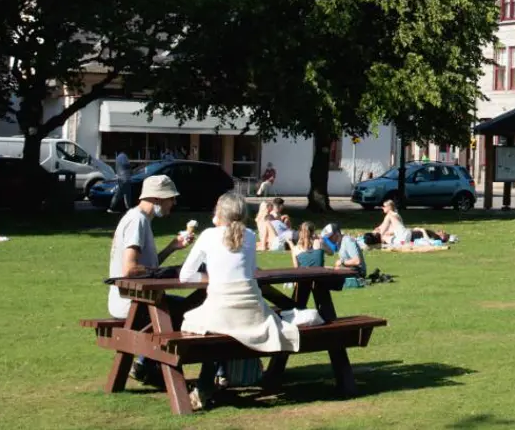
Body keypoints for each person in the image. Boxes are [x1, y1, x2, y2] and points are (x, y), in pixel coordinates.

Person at [180, 193, 299, 411]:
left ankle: (204, 383)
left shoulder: (208, 235)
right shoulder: (251, 235)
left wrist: (210, 278)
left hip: (223, 311)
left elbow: (185, 276)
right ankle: (214, 379)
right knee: (222, 327)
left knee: (189, 319)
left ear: (219, 212)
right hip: (252, 313)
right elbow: (251, 272)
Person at [107, 174, 193, 386]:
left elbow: (146, 267)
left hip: (137, 299)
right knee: (191, 312)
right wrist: (167, 273)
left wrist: (172, 248)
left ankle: (147, 365)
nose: (173, 203)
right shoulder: (137, 221)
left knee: (184, 309)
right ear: (156, 198)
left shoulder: (141, 220)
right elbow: (130, 269)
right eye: (170, 198)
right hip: (132, 302)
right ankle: (169, 377)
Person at [321, 223, 367, 288]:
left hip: (358, 272)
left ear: (337, 233)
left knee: (331, 272)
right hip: (350, 270)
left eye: (330, 237)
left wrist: (342, 262)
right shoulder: (339, 244)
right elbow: (330, 253)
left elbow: (357, 261)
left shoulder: (347, 240)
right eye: (328, 237)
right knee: (325, 268)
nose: (329, 239)